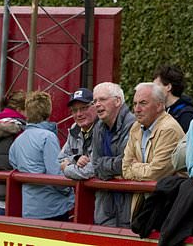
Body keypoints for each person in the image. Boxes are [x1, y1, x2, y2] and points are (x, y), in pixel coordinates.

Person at [8, 91, 73, 220]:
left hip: (29, 207)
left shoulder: (19, 140)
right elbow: (55, 173)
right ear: (48, 111)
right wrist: (69, 190)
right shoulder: (48, 137)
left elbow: (13, 162)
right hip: (52, 207)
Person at [122, 82, 184, 215]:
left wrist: (135, 167)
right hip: (145, 204)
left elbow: (157, 173)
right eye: (135, 103)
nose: (137, 109)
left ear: (160, 106)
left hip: (167, 205)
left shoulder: (169, 129)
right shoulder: (136, 127)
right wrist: (142, 167)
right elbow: (125, 168)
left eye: (143, 103)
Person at [87, 82, 135, 227]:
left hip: (129, 207)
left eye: (102, 99)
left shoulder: (133, 124)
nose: (97, 104)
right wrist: (107, 167)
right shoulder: (97, 127)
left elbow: (125, 164)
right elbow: (95, 164)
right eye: (95, 101)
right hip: (105, 207)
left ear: (117, 101)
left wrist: (103, 165)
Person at [59, 88, 97, 181]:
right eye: (74, 110)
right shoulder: (74, 129)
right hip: (79, 192)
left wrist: (66, 168)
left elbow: (92, 169)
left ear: (95, 106)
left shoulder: (104, 130)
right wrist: (76, 159)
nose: (79, 114)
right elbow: (59, 160)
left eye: (84, 108)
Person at [154, 64, 193, 132]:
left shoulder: (187, 116)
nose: (153, 91)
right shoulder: (163, 112)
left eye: (156, 86)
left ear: (168, 87)